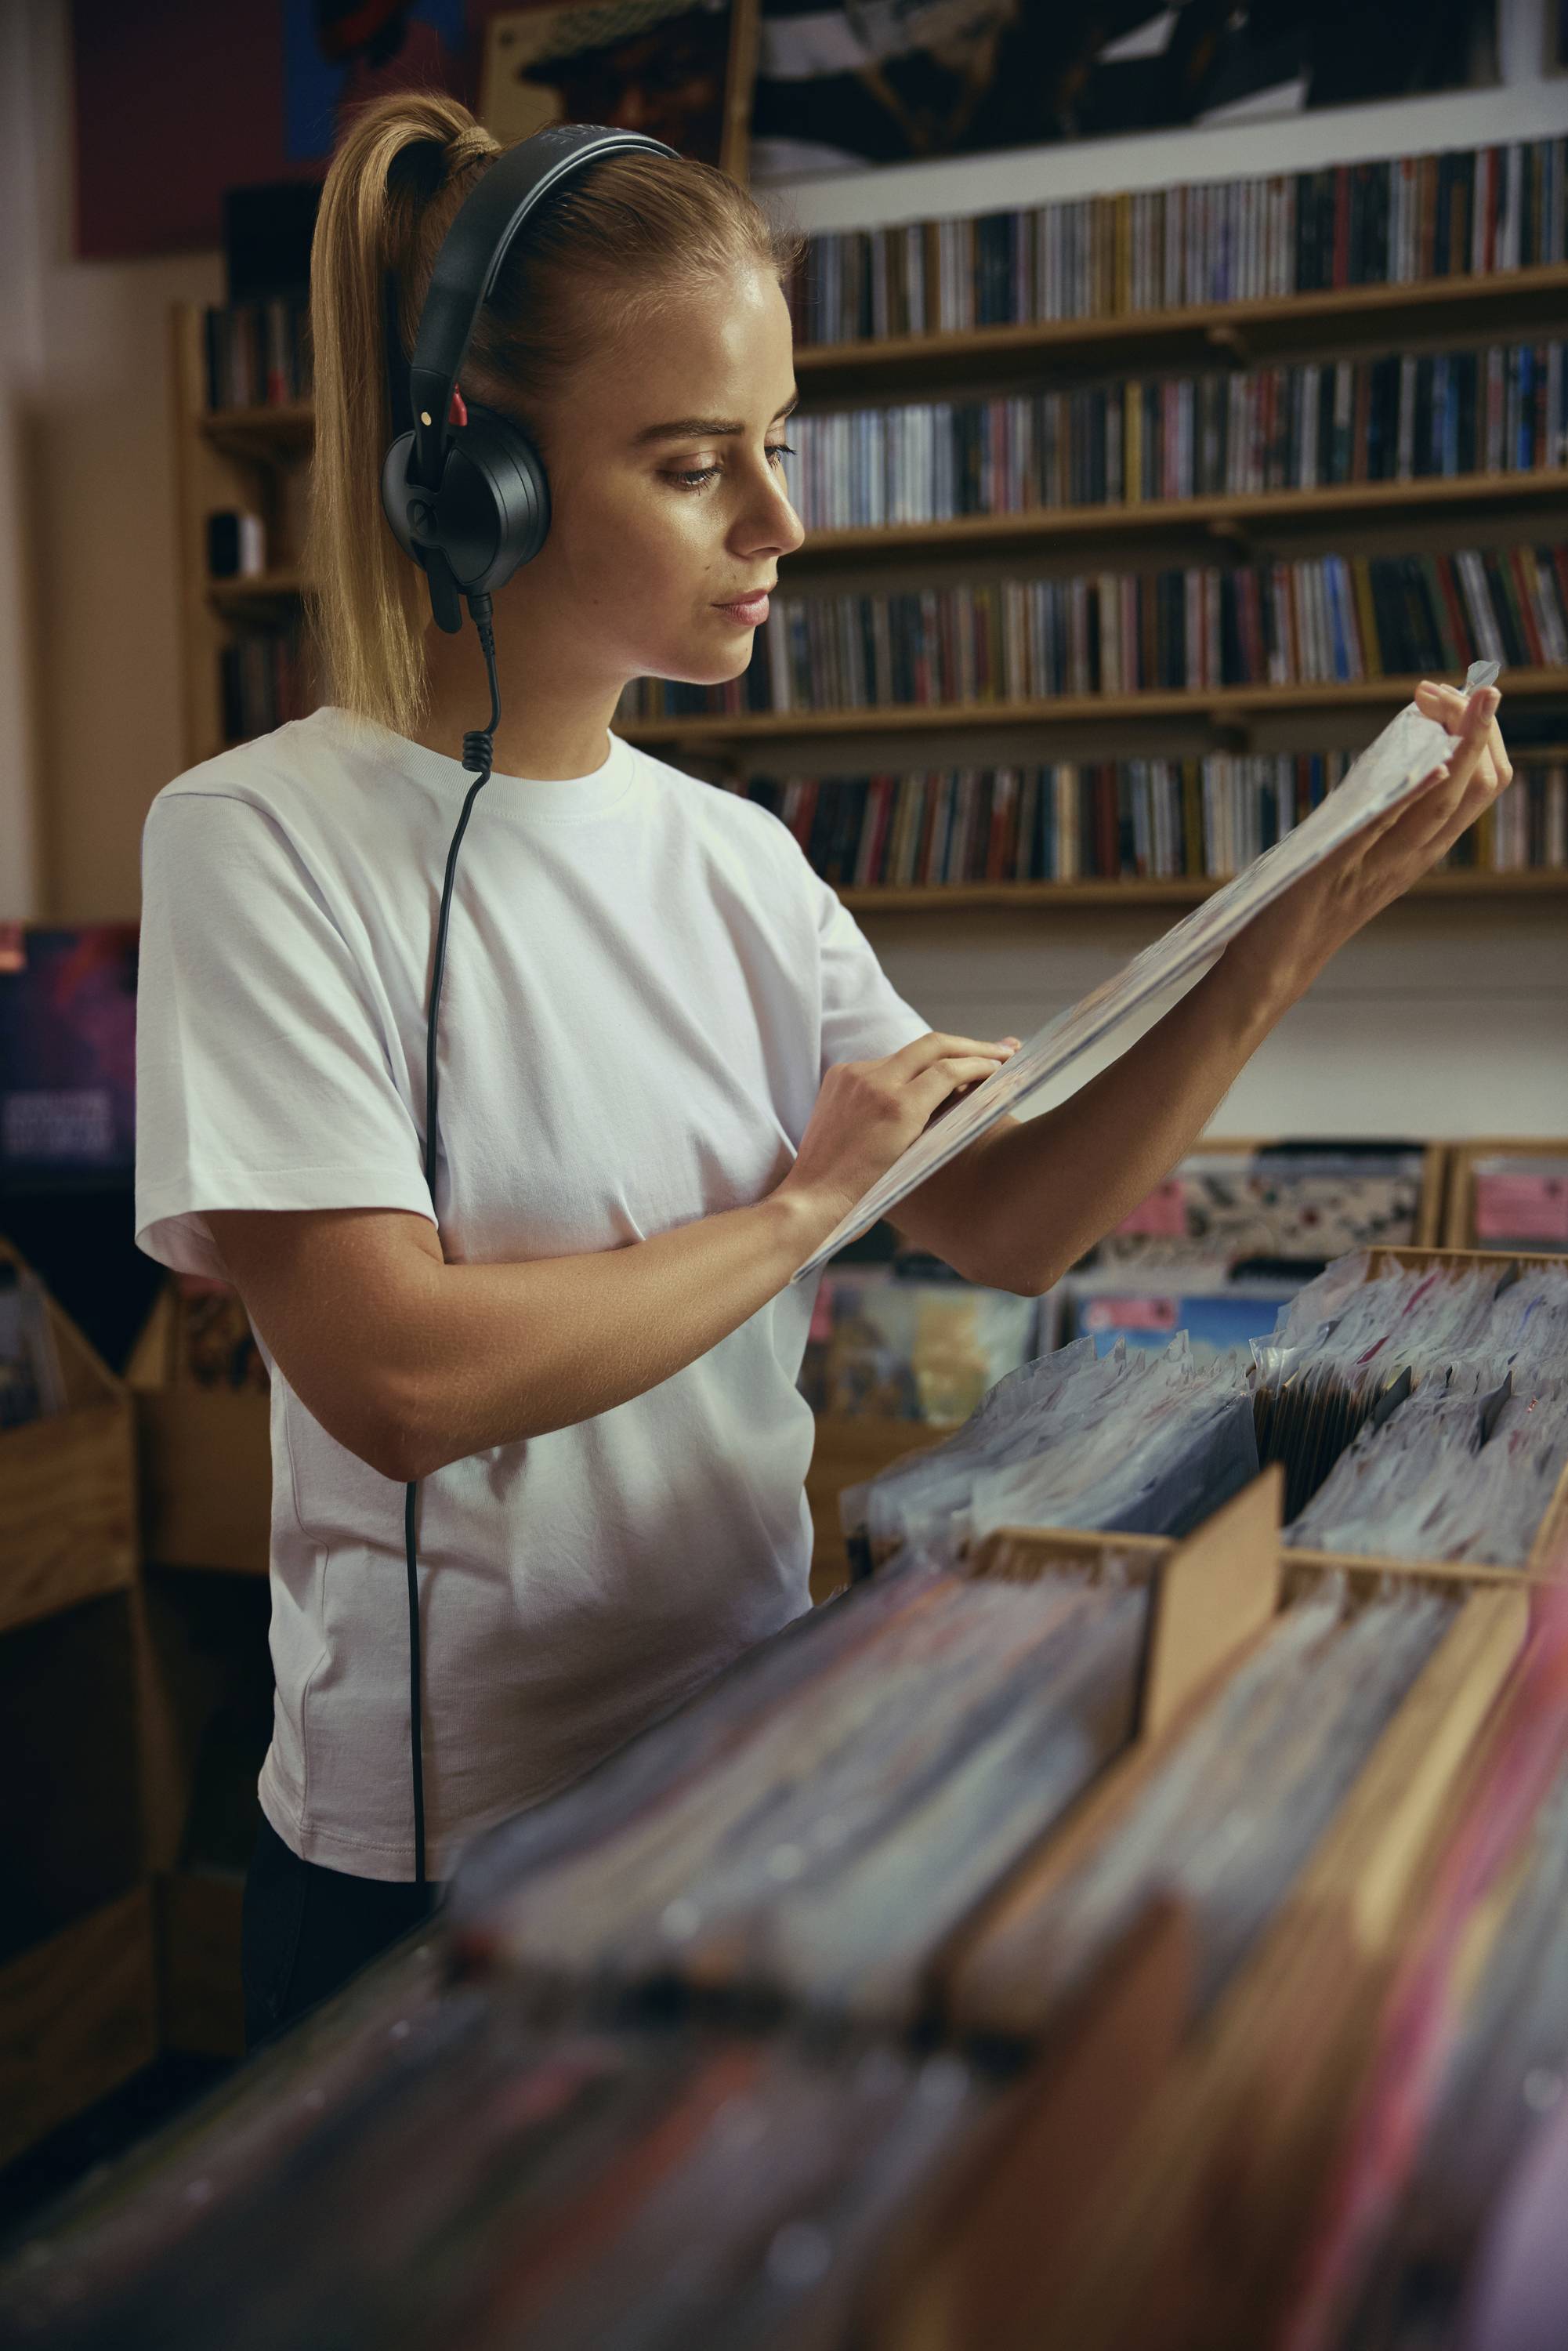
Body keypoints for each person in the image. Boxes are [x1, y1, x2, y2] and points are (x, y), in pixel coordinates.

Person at [132, 90, 1512, 2051]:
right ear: (479, 483)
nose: (781, 522)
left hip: (747, 1768)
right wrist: (797, 1210)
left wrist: (1305, 914)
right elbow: (399, 1378)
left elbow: (1014, 1221)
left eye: (774, 447)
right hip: (423, 1870)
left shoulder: (736, 861)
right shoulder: (255, 840)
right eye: (697, 466)